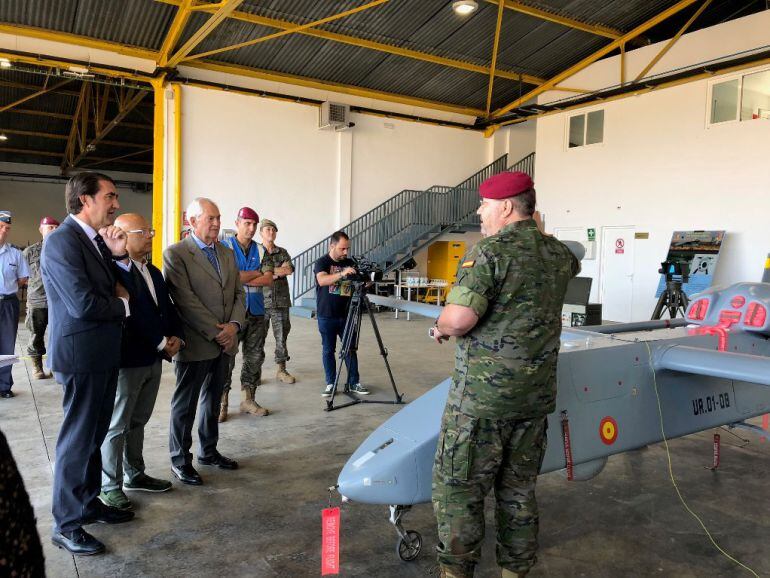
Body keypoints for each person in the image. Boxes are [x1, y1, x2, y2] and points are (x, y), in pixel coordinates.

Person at [430, 172, 580, 578]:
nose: (480, 211)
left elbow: (460, 318)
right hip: (533, 400)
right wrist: (537, 229)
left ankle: (456, 572)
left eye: (485, 204)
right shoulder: (560, 255)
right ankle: (515, 572)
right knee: (517, 491)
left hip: (481, 403)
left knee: (459, 489)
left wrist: (442, 326)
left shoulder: (490, 253)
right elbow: (559, 260)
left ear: (507, 207)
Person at [41, 172, 135, 556]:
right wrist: (123, 304)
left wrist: (118, 257)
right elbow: (84, 305)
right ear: (85, 199)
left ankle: (88, 503)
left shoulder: (93, 241)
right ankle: (65, 523)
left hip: (100, 353)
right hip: (80, 357)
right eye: (110, 196)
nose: (116, 204)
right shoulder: (62, 242)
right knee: (77, 441)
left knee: (94, 437)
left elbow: (114, 283)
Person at [99, 213, 184, 511]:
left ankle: (134, 473)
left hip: (153, 357)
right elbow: (132, 315)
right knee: (117, 423)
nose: (150, 235)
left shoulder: (154, 271)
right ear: (120, 236)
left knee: (139, 420)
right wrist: (162, 343)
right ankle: (110, 485)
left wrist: (177, 337)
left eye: (150, 230)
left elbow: (167, 310)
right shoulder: (113, 273)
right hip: (129, 358)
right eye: (143, 231)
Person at [163, 197, 245, 486]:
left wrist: (234, 326)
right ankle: (179, 460)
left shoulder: (226, 253)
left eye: (218, 217)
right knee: (185, 404)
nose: (216, 223)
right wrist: (217, 331)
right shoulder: (176, 254)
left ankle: (208, 452)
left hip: (226, 342)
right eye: (210, 218)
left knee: (212, 400)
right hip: (197, 342)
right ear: (192, 221)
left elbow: (238, 293)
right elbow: (185, 301)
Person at [220, 207, 272, 422]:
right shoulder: (224, 247)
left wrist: (241, 276)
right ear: (237, 223)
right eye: (246, 223)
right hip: (232, 312)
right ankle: (221, 403)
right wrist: (253, 274)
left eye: (253, 225)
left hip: (257, 311)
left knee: (254, 357)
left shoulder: (261, 250)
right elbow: (228, 276)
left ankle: (248, 399)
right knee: (226, 358)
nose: (250, 228)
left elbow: (268, 278)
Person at [314, 231, 368, 397]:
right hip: (326, 314)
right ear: (332, 246)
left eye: (348, 249)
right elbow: (322, 280)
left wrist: (366, 281)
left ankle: (353, 382)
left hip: (347, 314)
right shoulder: (322, 262)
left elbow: (361, 283)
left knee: (350, 349)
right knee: (328, 350)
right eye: (342, 248)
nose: (346, 252)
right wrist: (342, 274)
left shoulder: (350, 262)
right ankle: (330, 383)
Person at [22, 216, 59, 380]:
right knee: (36, 335)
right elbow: (21, 277)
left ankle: (54, 366)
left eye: (55, 227)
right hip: (37, 301)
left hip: (58, 301)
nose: (53, 230)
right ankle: (37, 367)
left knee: (58, 336)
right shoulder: (30, 252)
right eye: (49, 227)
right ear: (41, 230)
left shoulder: (63, 250)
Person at [259, 218, 296, 384]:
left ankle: (281, 370)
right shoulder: (256, 252)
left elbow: (289, 269)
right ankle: (255, 373)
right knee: (256, 339)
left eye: (273, 230)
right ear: (261, 233)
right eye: (267, 230)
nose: (271, 233)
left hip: (280, 301)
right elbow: (253, 272)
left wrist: (268, 272)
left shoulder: (282, 252)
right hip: (260, 302)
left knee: (282, 337)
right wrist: (276, 272)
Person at [0, 211, 28, 399]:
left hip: (8, 303)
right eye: (0, 227)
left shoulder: (16, 254)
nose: (4, 231)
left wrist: (7, 287)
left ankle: (3, 386)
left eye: (7, 228)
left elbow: (23, 278)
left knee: (7, 346)